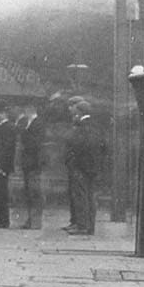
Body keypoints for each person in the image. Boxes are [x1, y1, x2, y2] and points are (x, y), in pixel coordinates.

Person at [64, 99, 100, 235]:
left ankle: (82, 225)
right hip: (92, 167)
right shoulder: (95, 126)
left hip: (81, 167)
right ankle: (88, 225)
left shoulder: (82, 126)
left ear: (79, 112)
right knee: (90, 196)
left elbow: (78, 145)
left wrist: (73, 162)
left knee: (81, 196)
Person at [17, 106, 44, 229]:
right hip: (29, 163)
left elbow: (34, 143)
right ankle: (31, 220)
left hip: (33, 163)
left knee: (34, 192)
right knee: (30, 192)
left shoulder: (37, 124)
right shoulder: (30, 123)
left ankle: (35, 221)